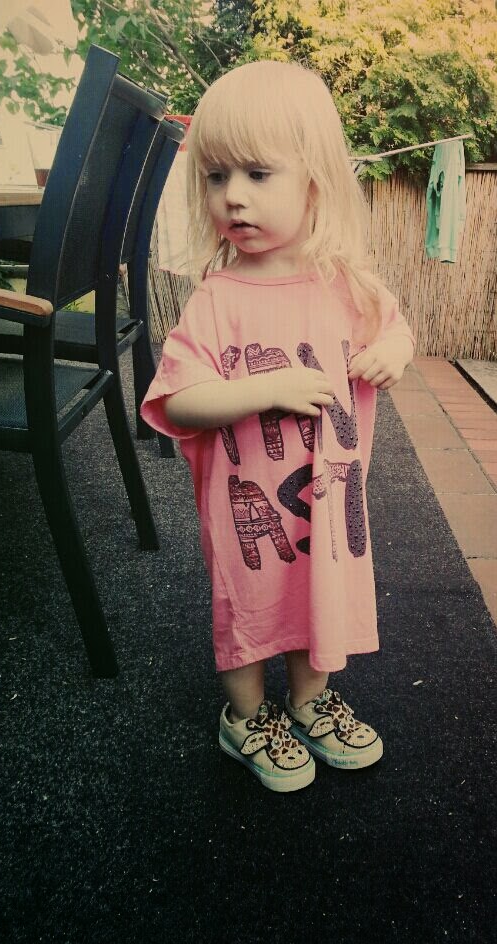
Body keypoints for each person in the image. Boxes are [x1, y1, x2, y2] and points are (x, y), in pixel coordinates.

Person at [141, 59, 415, 793]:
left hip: (328, 504)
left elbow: (397, 329)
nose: (233, 195)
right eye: (215, 176)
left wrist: (392, 352)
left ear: (314, 181)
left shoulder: (345, 285)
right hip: (247, 514)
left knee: (316, 598)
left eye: (258, 174)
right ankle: (245, 718)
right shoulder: (218, 299)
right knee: (248, 606)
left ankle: (308, 702)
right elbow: (177, 401)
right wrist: (264, 390)